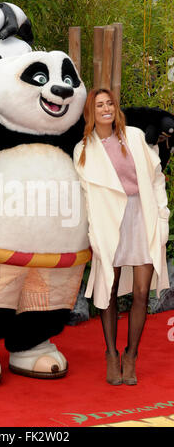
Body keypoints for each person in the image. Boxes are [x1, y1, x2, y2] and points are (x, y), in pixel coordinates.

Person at [73, 88, 170, 385]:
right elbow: (87, 198)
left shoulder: (135, 136)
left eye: (110, 103)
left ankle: (131, 355)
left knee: (141, 292)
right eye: (99, 105)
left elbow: (155, 179)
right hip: (108, 222)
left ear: (116, 108)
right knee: (110, 289)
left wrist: (163, 217)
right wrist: (93, 233)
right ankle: (111, 355)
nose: (106, 109)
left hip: (143, 216)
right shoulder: (84, 150)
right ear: (91, 112)